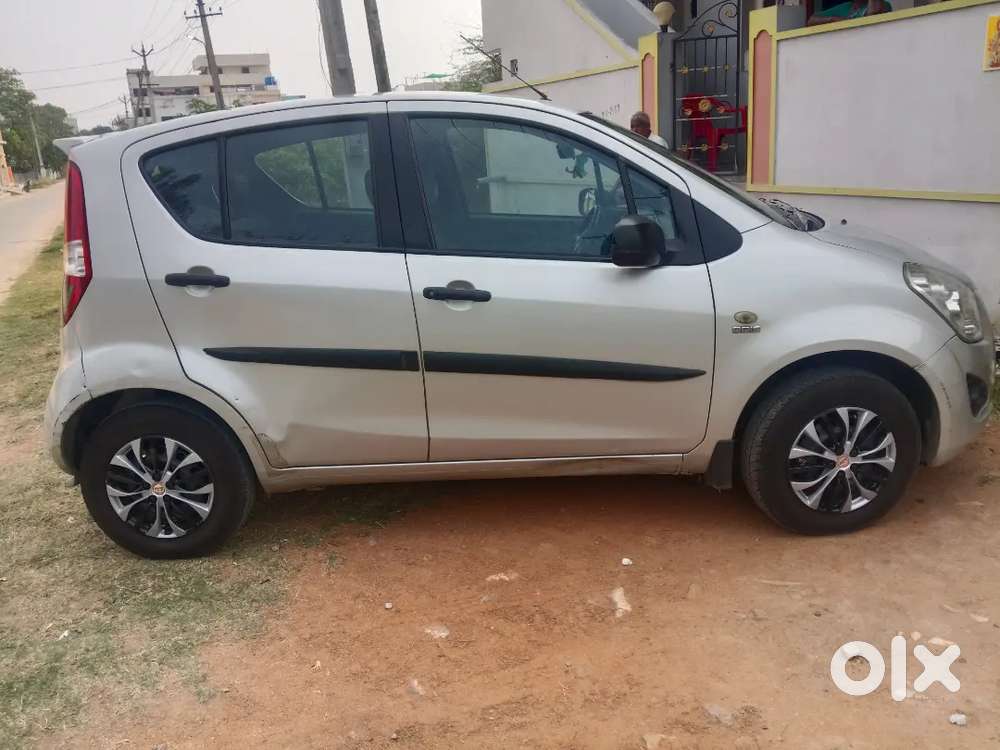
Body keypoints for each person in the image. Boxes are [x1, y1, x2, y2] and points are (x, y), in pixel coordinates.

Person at [807, 0, 892, 25]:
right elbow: (811, 21)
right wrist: (833, 19)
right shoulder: (845, 7)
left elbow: (873, 15)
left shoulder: (884, 5)